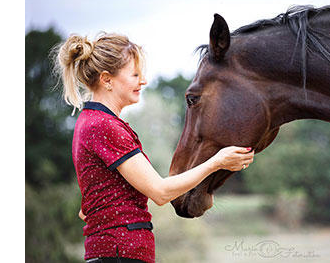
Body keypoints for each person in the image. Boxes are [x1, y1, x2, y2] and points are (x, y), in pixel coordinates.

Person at [52, 32, 255, 263]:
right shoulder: (104, 126)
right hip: (121, 254)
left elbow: (86, 209)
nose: (143, 81)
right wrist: (217, 162)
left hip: (113, 252)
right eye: (135, 74)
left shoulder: (90, 122)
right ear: (107, 79)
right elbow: (160, 192)